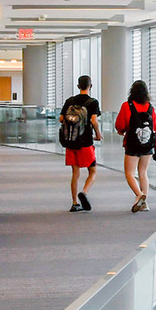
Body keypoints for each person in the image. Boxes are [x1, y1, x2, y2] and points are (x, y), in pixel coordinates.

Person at [114, 79, 156, 213]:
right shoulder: (150, 108)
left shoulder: (126, 106)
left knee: (129, 173)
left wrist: (122, 131)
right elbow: (155, 129)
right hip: (147, 146)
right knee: (143, 173)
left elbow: (120, 125)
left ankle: (140, 195)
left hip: (132, 144)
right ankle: (144, 204)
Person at [58, 75, 102, 212]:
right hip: (86, 142)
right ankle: (84, 192)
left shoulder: (70, 101)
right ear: (90, 86)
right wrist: (98, 134)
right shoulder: (92, 102)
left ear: (78, 86)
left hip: (71, 142)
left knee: (75, 173)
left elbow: (61, 119)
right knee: (93, 171)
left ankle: (75, 202)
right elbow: (94, 121)